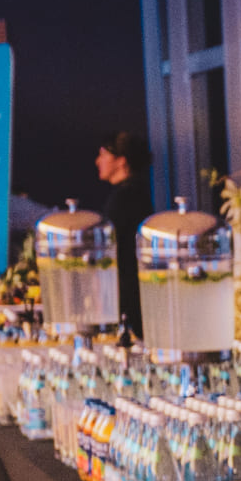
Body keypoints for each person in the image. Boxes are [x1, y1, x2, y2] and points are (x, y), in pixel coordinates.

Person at [97, 132, 153, 337]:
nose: (98, 161)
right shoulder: (136, 192)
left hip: (127, 294)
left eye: (103, 155)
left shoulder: (125, 197)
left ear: (121, 161)